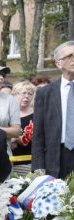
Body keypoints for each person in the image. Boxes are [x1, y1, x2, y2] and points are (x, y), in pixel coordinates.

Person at [32, 41, 74, 179]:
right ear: (58, 63)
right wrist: (38, 166)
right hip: (55, 157)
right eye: (69, 56)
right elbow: (38, 133)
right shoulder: (45, 93)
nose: (73, 59)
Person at [10, 80, 36, 175]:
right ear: (14, 95)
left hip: (32, 161)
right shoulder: (7, 114)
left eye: (30, 94)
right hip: (11, 160)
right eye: (23, 93)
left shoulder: (38, 114)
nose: (27, 96)